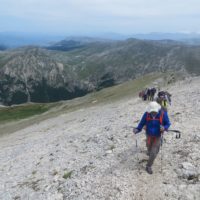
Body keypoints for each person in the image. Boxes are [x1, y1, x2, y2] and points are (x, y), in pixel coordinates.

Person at [133, 101, 171, 174]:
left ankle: (148, 166)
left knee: (154, 151)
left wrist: (164, 127)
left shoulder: (163, 114)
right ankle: (149, 153)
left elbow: (168, 123)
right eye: (152, 112)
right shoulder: (146, 114)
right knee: (149, 147)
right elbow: (141, 123)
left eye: (155, 112)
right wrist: (137, 130)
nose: (153, 113)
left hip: (158, 136)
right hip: (148, 135)